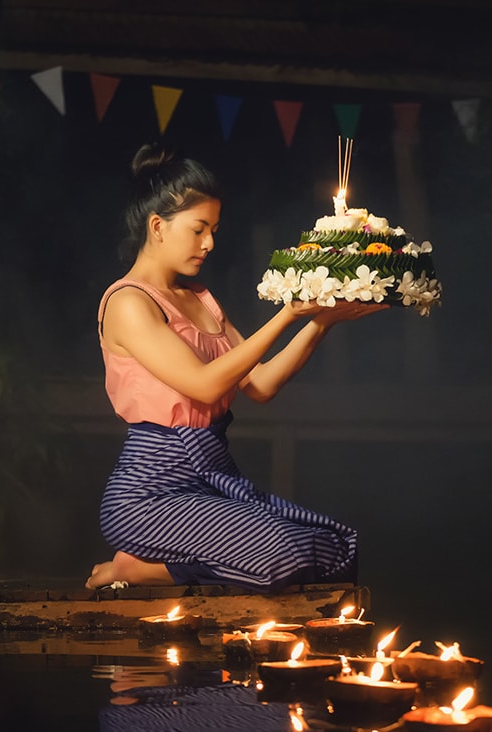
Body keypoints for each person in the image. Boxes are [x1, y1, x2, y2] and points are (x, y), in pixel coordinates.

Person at [86, 143, 385, 592]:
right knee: (285, 557)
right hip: (149, 493)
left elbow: (259, 384)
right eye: (198, 228)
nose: (209, 243)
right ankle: (140, 568)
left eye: (215, 229)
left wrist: (322, 321)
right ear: (157, 226)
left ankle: (155, 569)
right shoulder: (128, 302)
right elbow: (205, 387)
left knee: (334, 547)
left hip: (212, 471)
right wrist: (287, 313)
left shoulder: (200, 298)